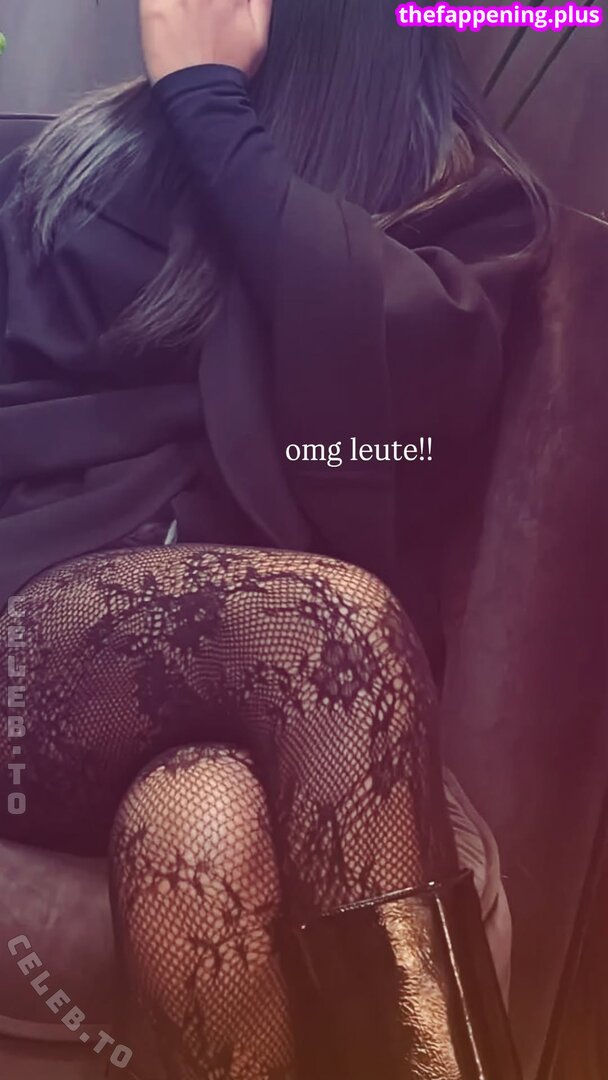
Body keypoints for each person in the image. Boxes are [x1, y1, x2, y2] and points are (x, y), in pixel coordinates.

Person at [0, 1, 549, 1077]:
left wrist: (213, 115)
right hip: (30, 654)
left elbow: (390, 423)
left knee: (201, 828)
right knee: (322, 622)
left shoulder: (465, 214)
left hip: (235, 726)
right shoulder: (67, 168)